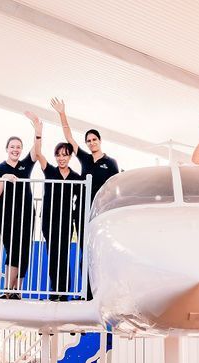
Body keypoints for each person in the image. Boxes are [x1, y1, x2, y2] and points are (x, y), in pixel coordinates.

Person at [50, 98, 120, 298]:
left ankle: (94, 293)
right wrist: (62, 113)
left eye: (94, 140)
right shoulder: (85, 159)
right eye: (88, 141)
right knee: (83, 250)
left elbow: (113, 188)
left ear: (100, 141)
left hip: (99, 215)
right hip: (81, 212)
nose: (91, 143)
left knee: (96, 253)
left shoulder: (111, 163)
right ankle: (83, 293)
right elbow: (69, 137)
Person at [0, 112, 43, 298]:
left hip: (27, 212)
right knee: (11, 248)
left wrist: (38, 131)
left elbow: (36, 151)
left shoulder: (25, 165)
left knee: (24, 250)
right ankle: (7, 290)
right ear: (6, 148)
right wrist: (3, 179)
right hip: (5, 214)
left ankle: (17, 291)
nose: (15, 150)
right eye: (12, 147)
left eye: (18, 147)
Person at [36, 142, 84, 300]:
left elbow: (82, 200)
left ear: (70, 156)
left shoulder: (76, 177)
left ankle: (64, 292)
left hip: (66, 221)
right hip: (49, 220)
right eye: (58, 155)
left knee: (63, 255)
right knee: (53, 255)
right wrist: (38, 132)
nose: (61, 158)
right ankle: (54, 290)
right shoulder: (50, 171)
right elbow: (38, 153)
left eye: (65, 155)